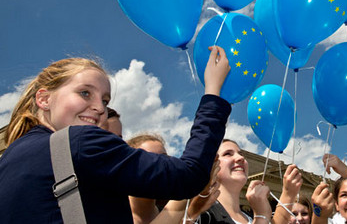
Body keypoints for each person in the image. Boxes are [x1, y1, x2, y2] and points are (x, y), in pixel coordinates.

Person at [0, 46, 231, 223]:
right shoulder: (79, 142)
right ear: (44, 99)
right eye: (84, 93)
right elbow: (189, 176)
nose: (100, 108)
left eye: (105, 100)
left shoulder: (10, 159)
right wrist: (213, 93)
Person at [127, 133, 221, 224]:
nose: (159, 165)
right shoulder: (116, 213)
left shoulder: (169, 208)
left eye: (164, 158)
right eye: (148, 159)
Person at [196, 139, 274, 224]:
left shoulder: (250, 217)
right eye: (227, 154)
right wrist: (262, 216)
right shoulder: (202, 216)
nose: (241, 158)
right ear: (211, 166)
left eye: (240, 154)